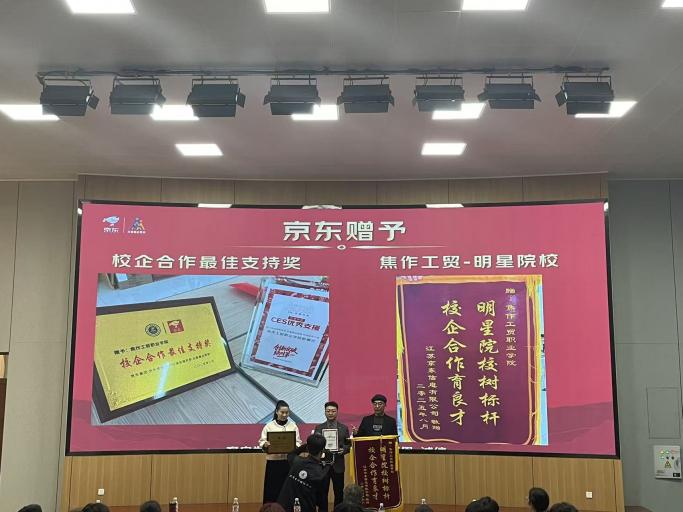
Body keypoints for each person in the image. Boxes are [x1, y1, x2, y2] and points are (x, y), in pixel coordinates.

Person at [260, 400, 302, 504]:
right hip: (273, 463)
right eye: (282, 412)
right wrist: (265, 445)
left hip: (288, 463)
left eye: (287, 412)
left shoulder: (293, 426)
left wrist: (294, 446)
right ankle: (270, 508)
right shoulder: (269, 426)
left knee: (288, 489)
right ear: (276, 412)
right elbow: (262, 441)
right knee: (272, 489)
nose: (284, 415)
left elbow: (298, 442)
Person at [277, 434, 331, 512]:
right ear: (322, 450)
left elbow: (291, 454)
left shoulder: (296, 461)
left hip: (284, 508)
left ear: (307, 448)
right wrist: (328, 464)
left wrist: (305, 446)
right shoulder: (322, 473)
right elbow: (322, 503)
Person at [314, 401, 351, 511]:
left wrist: (343, 450)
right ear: (325, 412)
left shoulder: (343, 428)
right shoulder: (319, 428)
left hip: (338, 465)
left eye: (333, 411)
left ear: (337, 412)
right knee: (322, 492)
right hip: (323, 465)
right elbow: (315, 444)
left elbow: (348, 445)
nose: (330, 413)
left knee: (339, 492)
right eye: (328, 411)